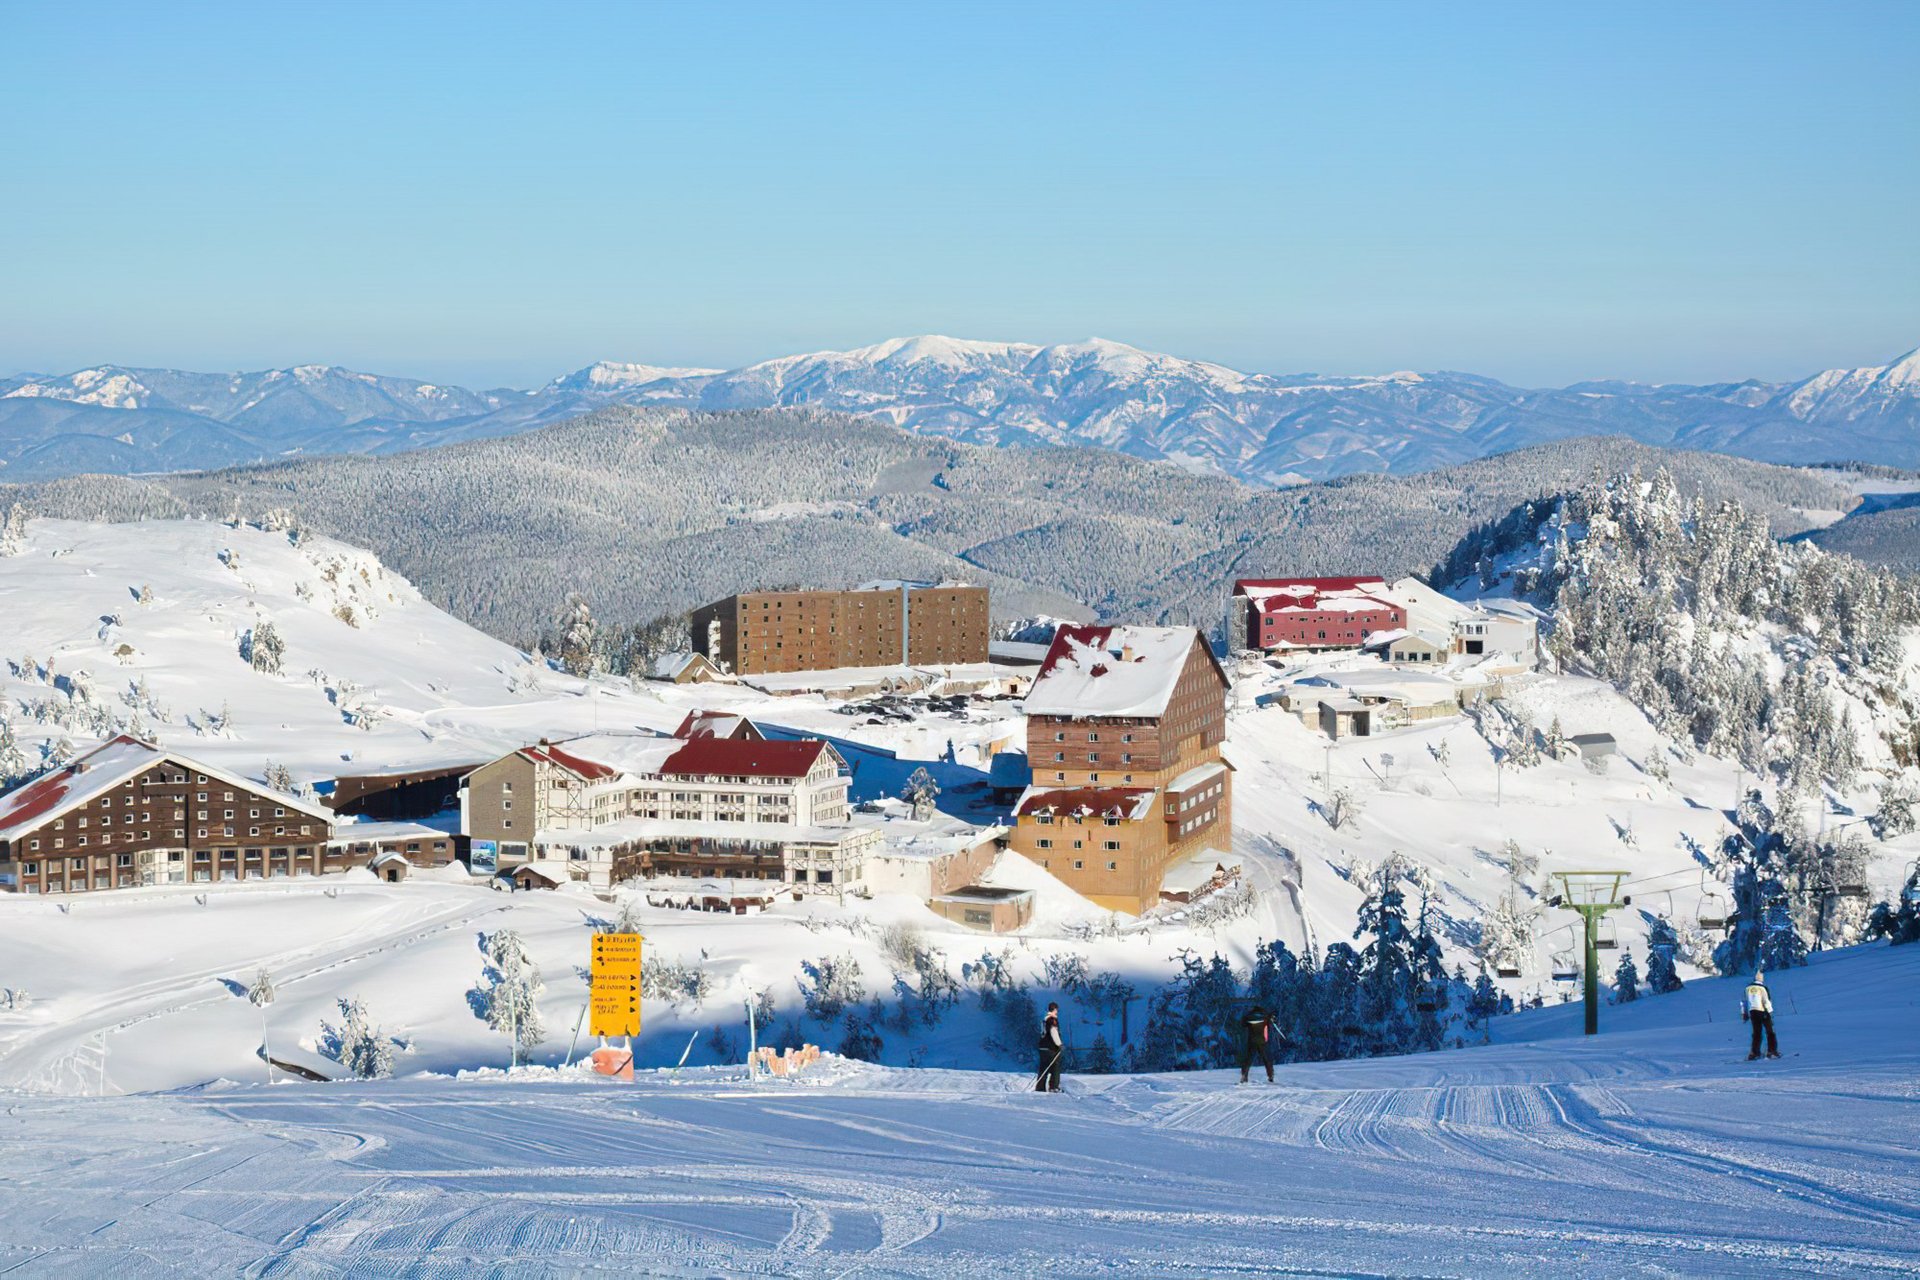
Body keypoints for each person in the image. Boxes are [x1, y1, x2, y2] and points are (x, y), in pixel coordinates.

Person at [1743, 971, 1779, 1060]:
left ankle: (1754, 1053)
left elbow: (1744, 1002)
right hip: (1763, 1011)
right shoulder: (1762, 988)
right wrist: (1770, 1012)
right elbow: (1766, 1000)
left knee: (1757, 1033)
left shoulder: (1747, 988)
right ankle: (1772, 1051)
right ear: (1761, 979)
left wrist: (1744, 1013)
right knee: (1770, 1031)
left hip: (1752, 1012)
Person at [1239, 1003, 1275, 1084]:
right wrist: (1270, 1018)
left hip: (1252, 1041)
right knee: (1266, 1059)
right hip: (1262, 1041)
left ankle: (1244, 1075)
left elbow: (1243, 1024)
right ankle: (1270, 1076)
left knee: (1248, 1059)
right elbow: (1269, 1025)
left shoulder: (1249, 1017)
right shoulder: (1265, 1017)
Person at [1035, 1001, 1064, 1092]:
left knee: (1043, 1068)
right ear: (1054, 1009)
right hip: (1051, 1047)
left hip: (1042, 1047)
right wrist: (1059, 1044)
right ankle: (1054, 1087)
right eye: (1056, 1010)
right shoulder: (1052, 1020)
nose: (1057, 1012)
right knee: (1055, 1067)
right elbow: (1053, 1032)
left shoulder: (1044, 1020)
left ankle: (1040, 1087)